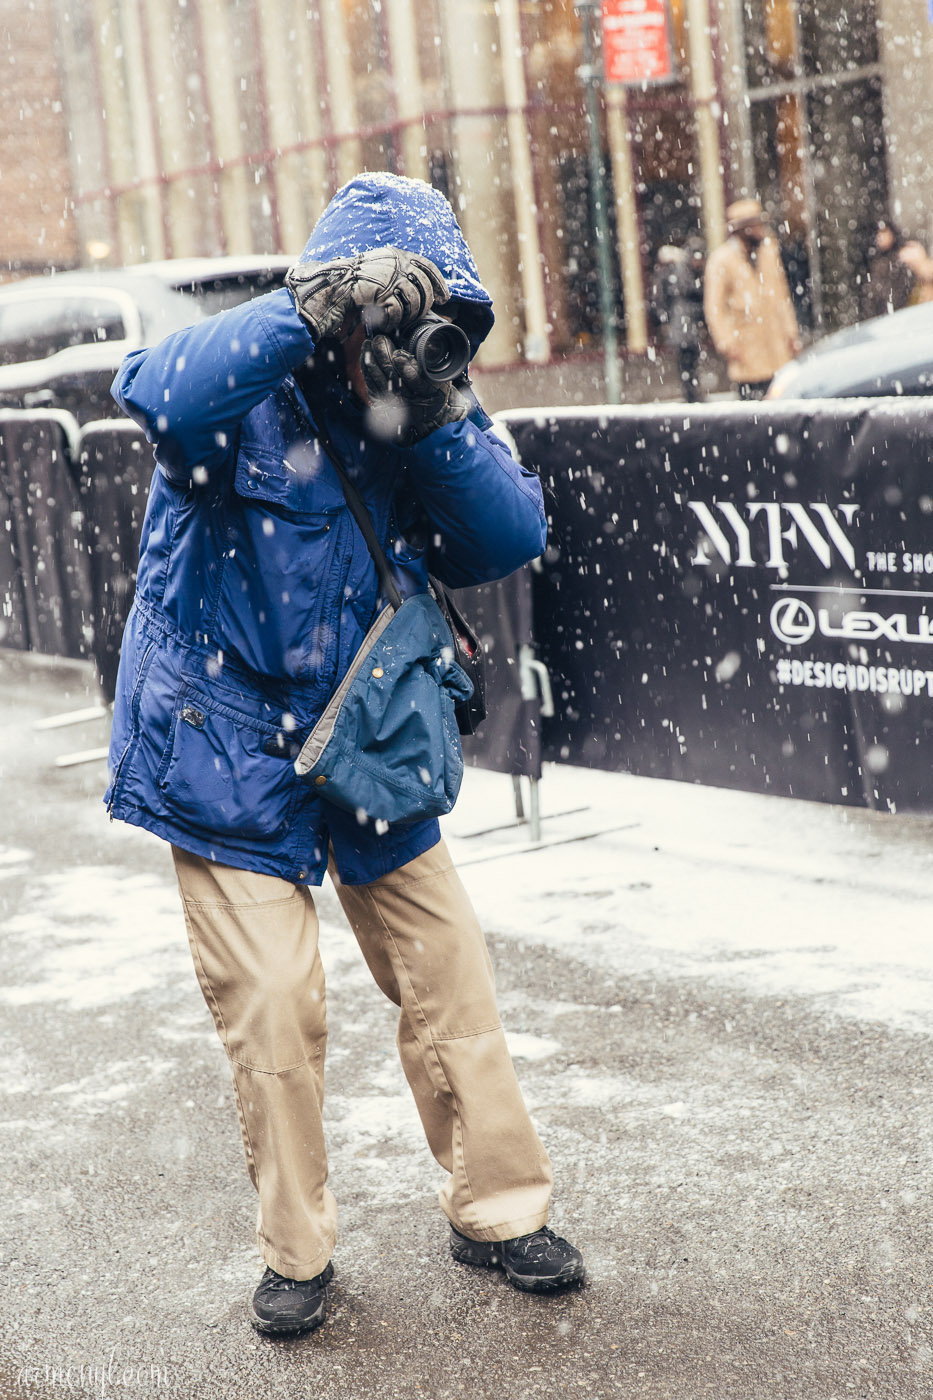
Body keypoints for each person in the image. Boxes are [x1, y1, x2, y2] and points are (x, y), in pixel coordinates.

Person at [105, 172, 585, 1338]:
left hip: (365, 734)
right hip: (226, 742)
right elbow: (154, 393)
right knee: (274, 1003)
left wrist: (441, 408)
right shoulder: (241, 392)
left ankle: (498, 1207)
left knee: (448, 971)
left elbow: (509, 533)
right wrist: (308, 311)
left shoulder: (414, 410)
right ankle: (298, 1249)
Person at [703, 198, 800, 400]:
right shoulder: (721, 260)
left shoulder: (769, 251)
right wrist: (727, 343)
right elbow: (714, 307)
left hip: (777, 344)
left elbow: (782, 295)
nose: (761, 230)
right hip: (747, 347)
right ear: (742, 230)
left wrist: (791, 332)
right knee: (755, 412)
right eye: (755, 225)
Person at [649, 235, 707, 402]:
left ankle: (692, 393)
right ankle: (691, 394)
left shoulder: (679, 272)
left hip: (684, 325)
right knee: (687, 361)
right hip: (684, 325)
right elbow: (689, 292)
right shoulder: (681, 273)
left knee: (689, 361)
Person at [861, 218, 933, 318]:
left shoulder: (905, 252)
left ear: (892, 232)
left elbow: (927, 272)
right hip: (888, 313)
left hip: (911, 309)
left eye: (884, 232)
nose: (880, 237)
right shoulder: (877, 261)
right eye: (878, 233)